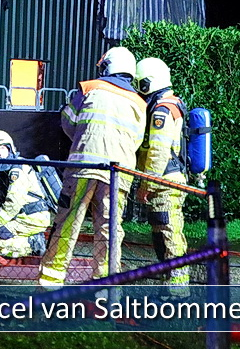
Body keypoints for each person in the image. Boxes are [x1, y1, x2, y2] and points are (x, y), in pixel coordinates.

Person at [39, 46, 146, 287]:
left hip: (83, 168)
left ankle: (50, 282)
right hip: (118, 175)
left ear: (108, 67)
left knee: (68, 222)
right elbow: (137, 140)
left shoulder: (90, 88)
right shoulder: (140, 103)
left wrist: (81, 139)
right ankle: (105, 286)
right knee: (109, 230)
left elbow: (68, 121)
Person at [134, 57, 191, 297]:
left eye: (140, 84)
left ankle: (178, 289)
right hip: (165, 180)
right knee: (162, 232)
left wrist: (146, 184)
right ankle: (170, 284)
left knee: (169, 232)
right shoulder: (167, 105)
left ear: (148, 83)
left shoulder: (162, 110)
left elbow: (158, 152)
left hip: (165, 182)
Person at [0, 130, 51, 258]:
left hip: (30, 218)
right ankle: (26, 241)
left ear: (10, 148)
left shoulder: (17, 169)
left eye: (2, 148)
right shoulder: (4, 172)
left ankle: (32, 244)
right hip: (22, 217)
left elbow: (13, 202)